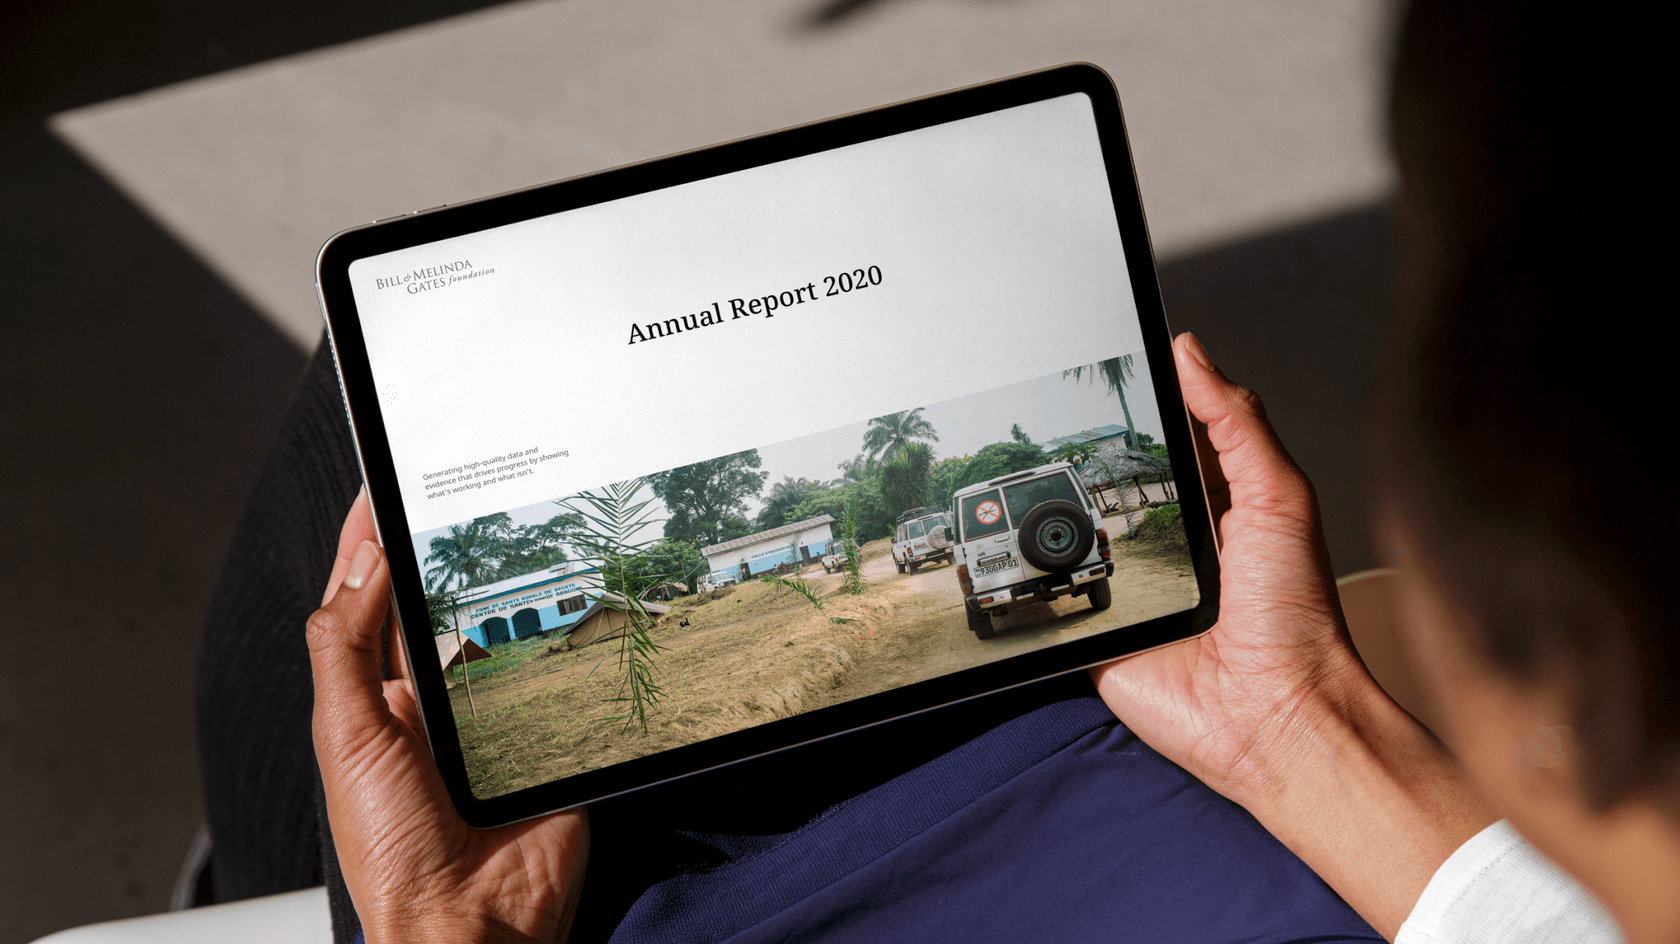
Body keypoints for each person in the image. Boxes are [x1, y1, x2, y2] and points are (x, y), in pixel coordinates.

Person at [233, 2, 1679, 941]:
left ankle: (241, 889)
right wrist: (1292, 724)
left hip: (608, 897)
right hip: (1180, 768)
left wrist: (443, 927)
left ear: (1582, 675)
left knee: (343, 442)